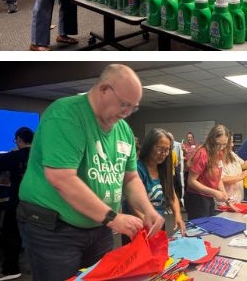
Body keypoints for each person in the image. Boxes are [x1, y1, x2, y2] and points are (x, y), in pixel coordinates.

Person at [16, 64, 162, 281]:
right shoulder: (66, 115)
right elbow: (61, 178)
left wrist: (147, 209)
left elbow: (130, 177)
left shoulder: (123, 130)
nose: (127, 113)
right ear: (103, 89)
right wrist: (112, 218)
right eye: (124, 104)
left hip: (99, 226)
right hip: (53, 228)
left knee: (102, 277)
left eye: (133, 108)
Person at [0, 127, 33, 281]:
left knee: (10, 234)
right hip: (40, 203)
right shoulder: (40, 155)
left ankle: (10, 270)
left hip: (18, 201)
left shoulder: (14, 156)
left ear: (18, 139)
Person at [134, 128, 179, 232]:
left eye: (167, 150)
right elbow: (134, 204)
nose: (163, 153)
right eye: (160, 149)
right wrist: (147, 222)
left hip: (157, 223)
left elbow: (171, 193)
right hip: (140, 225)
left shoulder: (163, 168)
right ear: (149, 147)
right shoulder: (138, 169)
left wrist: (178, 216)